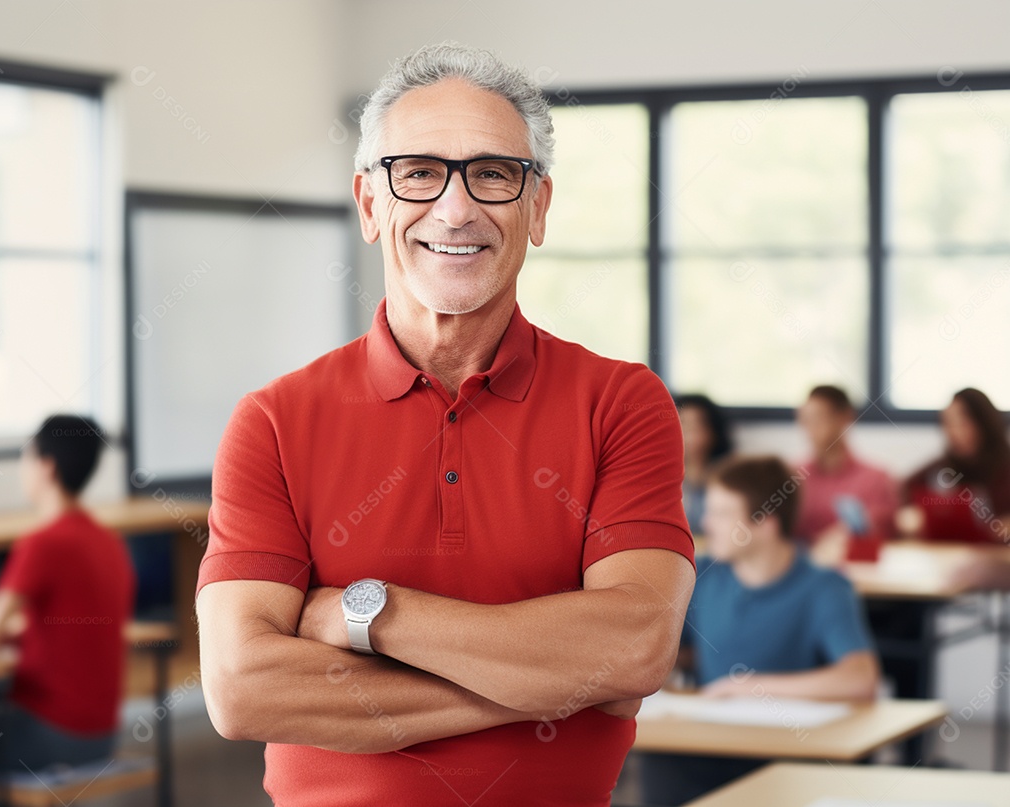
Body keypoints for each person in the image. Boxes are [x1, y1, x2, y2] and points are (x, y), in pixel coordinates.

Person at [195, 42, 695, 807]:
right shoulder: (273, 421)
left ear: (537, 207)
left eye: (492, 174)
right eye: (420, 172)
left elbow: (634, 646)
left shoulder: (622, 403)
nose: (456, 209)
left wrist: (368, 613)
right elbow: (242, 689)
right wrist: (552, 686)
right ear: (371, 204)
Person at [642, 455, 879, 805]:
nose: (706, 524)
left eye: (722, 514)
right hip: (709, 744)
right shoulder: (702, 575)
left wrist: (747, 688)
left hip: (788, 751)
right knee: (660, 763)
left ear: (765, 524)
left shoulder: (824, 588)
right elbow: (671, 651)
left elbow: (860, 679)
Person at [0, 415, 135, 778]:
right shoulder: (109, 542)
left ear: (46, 466)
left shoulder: (42, 544)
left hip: (50, 735)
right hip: (101, 736)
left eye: (26, 457)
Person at [794, 385, 899, 560]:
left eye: (818, 419)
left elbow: (884, 529)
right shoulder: (792, 478)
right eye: (805, 420)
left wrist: (846, 532)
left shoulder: (875, 479)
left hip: (855, 570)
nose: (810, 429)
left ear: (844, 417)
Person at [901, 387, 1010, 544]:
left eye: (962, 423)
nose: (953, 432)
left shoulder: (1005, 468)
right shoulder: (941, 468)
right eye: (947, 423)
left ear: (984, 422)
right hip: (949, 552)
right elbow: (906, 491)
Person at [674, 393, 733, 532]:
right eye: (683, 425)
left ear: (713, 431)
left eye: (697, 426)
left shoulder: (730, 475)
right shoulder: (661, 478)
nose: (689, 435)